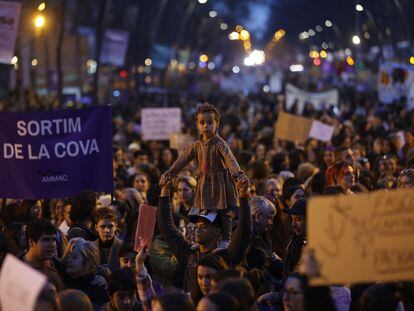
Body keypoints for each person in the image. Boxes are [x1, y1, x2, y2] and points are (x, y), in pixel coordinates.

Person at [160, 103, 250, 250]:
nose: (205, 126)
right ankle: (200, 238)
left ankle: (226, 238)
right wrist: (171, 172)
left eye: (209, 122)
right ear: (197, 125)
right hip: (204, 182)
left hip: (220, 182)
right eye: (202, 123)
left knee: (224, 213)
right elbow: (182, 160)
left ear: (217, 124)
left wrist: (238, 175)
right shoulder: (195, 145)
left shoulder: (220, 144)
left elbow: (230, 160)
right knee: (203, 212)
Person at [157, 178, 251, 301]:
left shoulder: (226, 256)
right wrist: (164, 191)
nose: (198, 230)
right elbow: (167, 229)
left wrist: (243, 196)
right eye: (196, 226)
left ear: (218, 231)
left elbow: (244, 233)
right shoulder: (190, 252)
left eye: (204, 227)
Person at [62, 238, 109, 308]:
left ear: (88, 263)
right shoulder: (61, 284)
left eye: (74, 257)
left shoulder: (97, 292)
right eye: (69, 255)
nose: (68, 259)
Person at [20, 219, 63, 290]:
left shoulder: (58, 265)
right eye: (46, 240)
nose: (52, 245)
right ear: (31, 242)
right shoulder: (16, 269)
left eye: (54, 240)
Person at [93, 207, 123, 271]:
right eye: (102, 227)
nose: (107, 230)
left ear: (116, 226)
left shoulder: (123, 247)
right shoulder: (89, 248)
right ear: (96, 228)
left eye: (110, 226)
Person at [283, 200, 307, 278]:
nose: (293, 224)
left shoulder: (318, 245)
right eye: (292, 219)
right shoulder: (294, 239)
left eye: (298, 219)